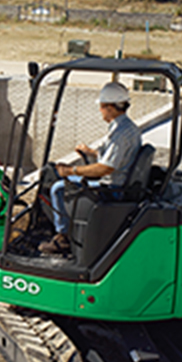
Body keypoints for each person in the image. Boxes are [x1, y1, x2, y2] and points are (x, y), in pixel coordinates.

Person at [38, 81, 142, 254]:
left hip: (113, 189)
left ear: (110, 107)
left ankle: (63, 237)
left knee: (57, 188)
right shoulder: (128, 128)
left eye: (101, 106)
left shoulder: (120, 134)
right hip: (121, 182)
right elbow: (116, 158)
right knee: (67, 182)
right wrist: (91, 152)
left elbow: (105, 168)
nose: (100, 110)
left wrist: (70, 171)